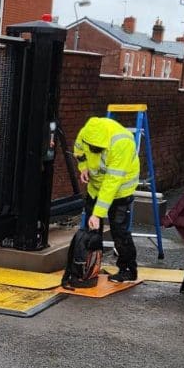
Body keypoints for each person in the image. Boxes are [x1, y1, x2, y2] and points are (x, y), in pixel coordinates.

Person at [73, 116, 139, 282]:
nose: (93, 150)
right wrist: (83, 167)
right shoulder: (86, 134)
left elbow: (112, 183)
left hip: (119, 191)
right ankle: (90, 267)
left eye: (97, 148)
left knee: (120, 231)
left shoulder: (122, 144)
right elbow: (78, 151)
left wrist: (98, 213)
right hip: (95, 188)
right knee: (92, 231)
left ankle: (128, 270)